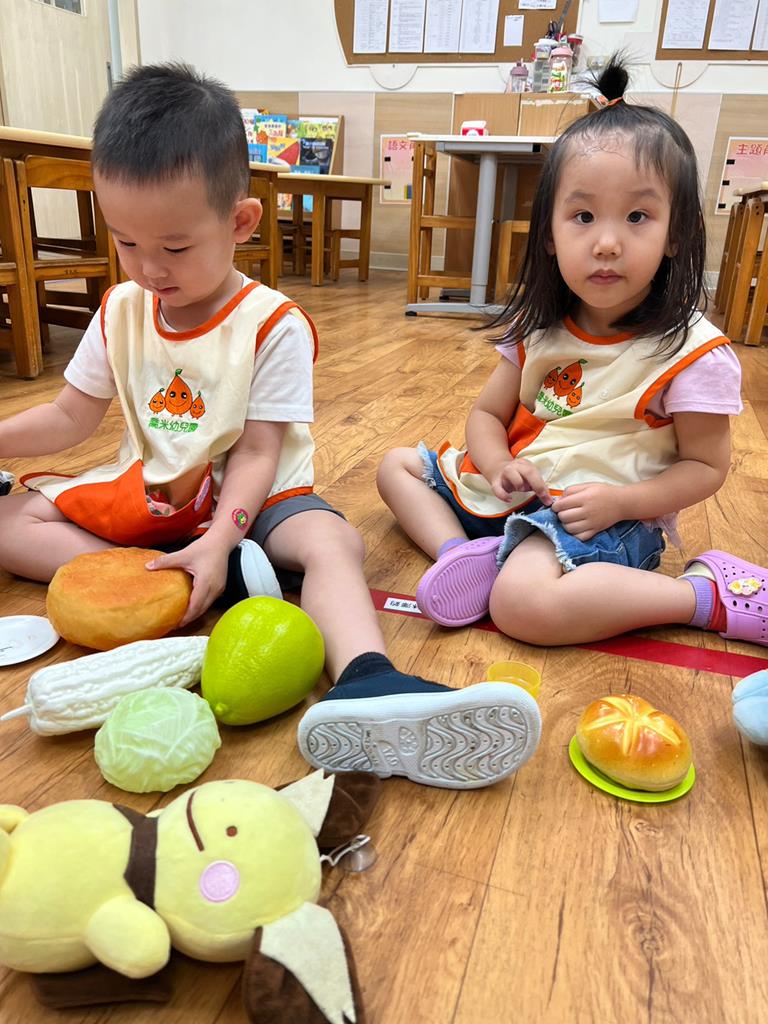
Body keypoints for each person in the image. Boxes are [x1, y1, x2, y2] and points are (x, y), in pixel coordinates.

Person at [0, 63, 540, 789]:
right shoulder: (120, 309)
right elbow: (69, 416)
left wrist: (224, 534)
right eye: (126, 243)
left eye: (175, 247)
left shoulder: (271, 324)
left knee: (332, 542)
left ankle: (367, 680)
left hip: (259, 500)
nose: (148, 269)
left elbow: (259, 452)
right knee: (9, 522)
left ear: (240, 222)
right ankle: (195, 580)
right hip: (159, 498)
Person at [377, 57, 766, 650]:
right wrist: (497, 465)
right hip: (516, 493)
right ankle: (462, 556)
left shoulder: (691, 353)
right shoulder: (538, 327)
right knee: (396, 465)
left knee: (523, 605)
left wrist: (622, 502)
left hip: (598, 515)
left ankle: (704, 596)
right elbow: (486, 416)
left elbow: (706, 468)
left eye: (637, 216)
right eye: (582, 216)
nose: (606, 242)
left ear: (676, 234)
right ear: (550, 235)